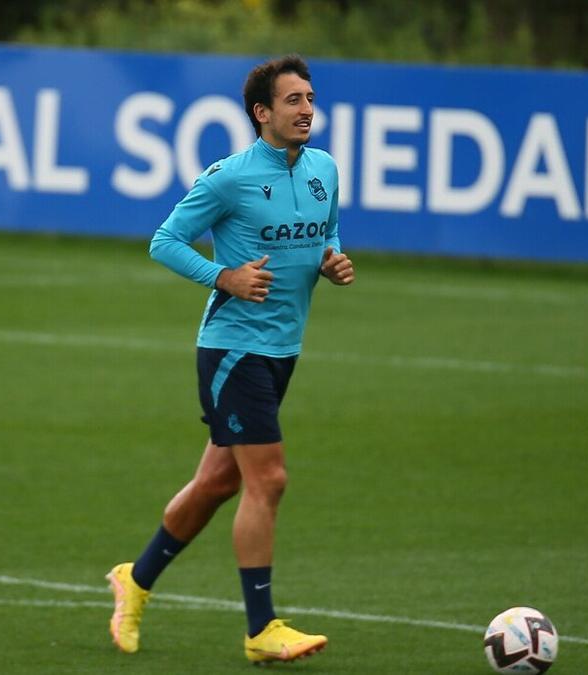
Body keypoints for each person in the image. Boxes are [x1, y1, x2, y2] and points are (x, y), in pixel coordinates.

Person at [107, 53, 355, 664]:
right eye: (293, 100)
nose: (306, 110)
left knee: (218, 482)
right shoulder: (230, 176)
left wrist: (332, 261)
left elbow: (326, 233)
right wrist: (224, 277)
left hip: (282, 352)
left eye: (310, 99)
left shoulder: (324, 168)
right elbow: (163, 241)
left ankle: (133, 581)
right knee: (267, 479)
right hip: (233, 350)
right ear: (261, 112)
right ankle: (261, 628)